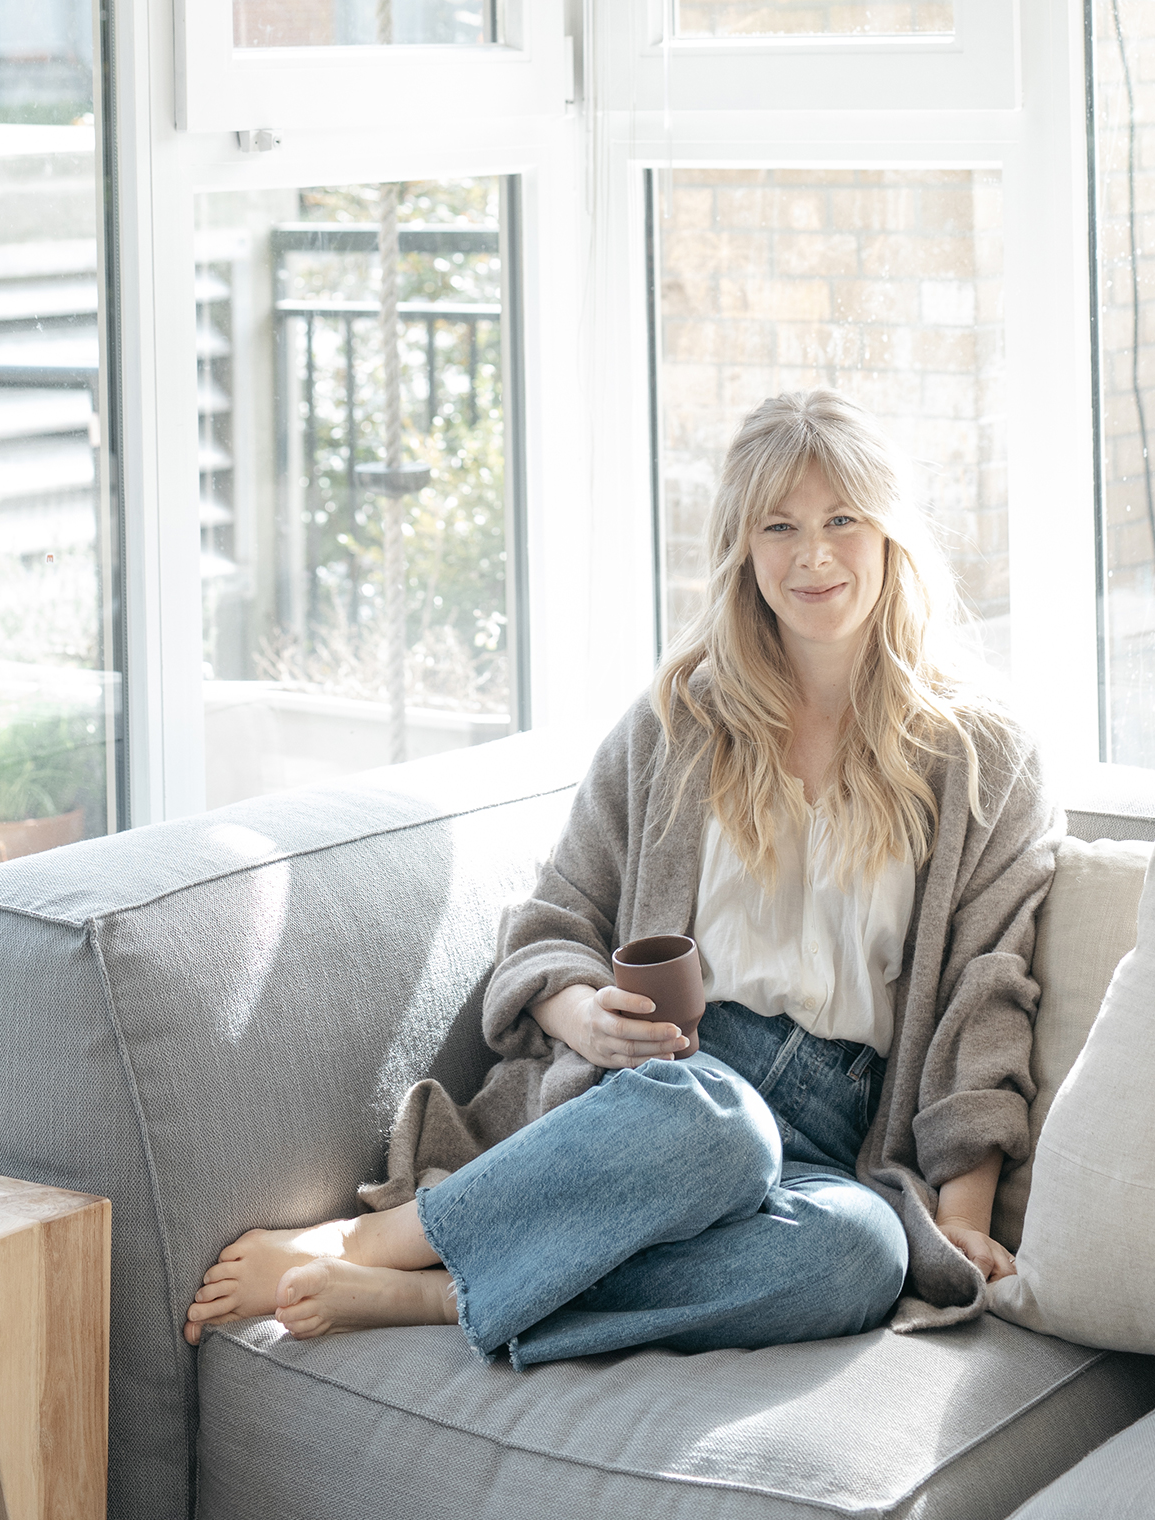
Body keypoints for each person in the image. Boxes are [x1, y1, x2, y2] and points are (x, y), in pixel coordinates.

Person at [183, 388, 1058, 1367]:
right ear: (742, 548)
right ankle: (369, 1240)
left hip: (835, 1138)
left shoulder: (982, 754)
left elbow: (985, 992)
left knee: (862, 1255)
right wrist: (582, 1017)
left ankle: (444, 1294)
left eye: (842, 519)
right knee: (722, 1125)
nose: (813, 556)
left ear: (890, 531)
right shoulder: (675, 724)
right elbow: (552, 921)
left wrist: (963, 1211)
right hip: (668, 1099)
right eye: (779, 526)